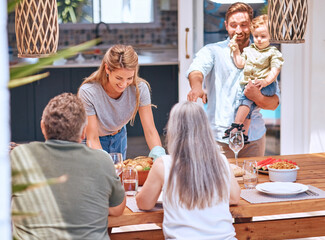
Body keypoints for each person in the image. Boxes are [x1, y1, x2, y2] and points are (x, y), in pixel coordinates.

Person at [11, 93, 126, 240]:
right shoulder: (103, 160)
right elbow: (117, 209)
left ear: (43, 127)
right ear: (84, 132)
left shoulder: (20, 156)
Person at [186, 2, 280, 158]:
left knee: (252, 180)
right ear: (226, 25)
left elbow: (274, 103)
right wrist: (197, 87)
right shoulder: (213, 51)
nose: (238, 30)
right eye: (233, 25)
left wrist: (256, 96)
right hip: (218, 140)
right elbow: (196, 70)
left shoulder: (265, 56)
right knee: (220, 183)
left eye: (244, 25)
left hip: (254, 138)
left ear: (251, 26)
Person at [136, 101, 241, 239]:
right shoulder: (220, 160)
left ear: (173, 130)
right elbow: (234, 198)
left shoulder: (164, 164)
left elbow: (144, 204)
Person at [78, 44, 165, 160]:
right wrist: (105, 164)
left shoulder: (140, 89)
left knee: (119, 177)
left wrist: (159, 156)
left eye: (129, 78)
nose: (124, 84)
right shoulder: (88, 92)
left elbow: (150, 130)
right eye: (119, 78)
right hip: (93, 141)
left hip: (119, 138)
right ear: (107, 69)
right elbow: (92, 138)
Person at [224, 14, 284, 143]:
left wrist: (265, 81)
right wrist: (235, 51)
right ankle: (243, 135)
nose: (259, 40)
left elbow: (275, 70)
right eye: (256, 36)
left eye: (263, 36)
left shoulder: (273, 52)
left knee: (245, 100)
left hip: (266, 85)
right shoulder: (250, 50)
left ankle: (236, 125)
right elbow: (240, 63)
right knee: (249, 110)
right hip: (253, 84)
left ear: (271, 37)